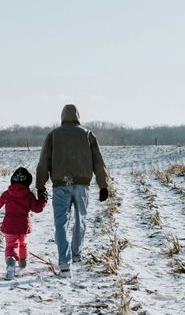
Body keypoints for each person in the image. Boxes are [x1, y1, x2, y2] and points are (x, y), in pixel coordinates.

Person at [36, 104, 109, 278]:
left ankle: (64, 263)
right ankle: (76, 255)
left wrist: (40, 186)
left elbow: (44, 161)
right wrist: (103, 185)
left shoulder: (53, 135)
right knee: (80, 220)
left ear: (62, 116)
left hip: (61, 184)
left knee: (61, 223)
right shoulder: (87, 134)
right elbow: (98, 161)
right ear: (77, 116)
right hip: (82, 184)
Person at [0, 167, 47, 280]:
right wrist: (43, 198)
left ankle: (10, 262)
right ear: (28, 182)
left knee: (11, 245)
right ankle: (23, 261)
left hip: (10, 225)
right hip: (23, 225)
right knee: (23, 242)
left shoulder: (8, 194)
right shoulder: (29, 195)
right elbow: (37, 208)